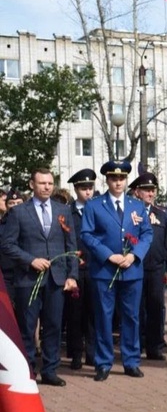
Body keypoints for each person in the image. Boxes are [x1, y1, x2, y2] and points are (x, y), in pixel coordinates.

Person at [0, 168, 79, 387]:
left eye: (50, 183)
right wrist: (30, 260)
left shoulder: (63, 210)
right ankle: (27, 370)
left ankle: (50, 370)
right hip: (28, 278)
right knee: (27, 327)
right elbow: (7, 245)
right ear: (31, 185)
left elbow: (71, 246)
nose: (47, 187)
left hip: (56, 279)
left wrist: (72, 276)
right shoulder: (19, 212)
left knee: (53, 326)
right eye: (42, 183)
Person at [81, 160, 153, 382]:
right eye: (114, 178)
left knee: (131, 317)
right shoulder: (94, 205)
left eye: (122, 178)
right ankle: (103, 362)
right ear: (107, 180)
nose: (118, 182)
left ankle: (131, 361)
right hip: (105, 269)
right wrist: (107, 254)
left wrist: (134, 255)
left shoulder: (137, 205)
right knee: (104, 317)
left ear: (126, 180)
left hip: (131, 270)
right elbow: (86, 234)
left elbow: (147, 233)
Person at [129, 172, 167, 361]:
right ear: (137, 192)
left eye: (153, 190)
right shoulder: (129, 211)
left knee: (156, 307)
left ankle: (155, 346)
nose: (151, 193)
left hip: (156, 268)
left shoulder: (162, 214)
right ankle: (137, 344)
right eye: (146, 190)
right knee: (136, 308)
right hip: (135, 266)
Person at [65, 168, 97, 369]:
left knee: (94, 313)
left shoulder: (99, 210)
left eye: (90, 188)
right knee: (74, 314)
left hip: (96, 268)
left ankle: (92, 354)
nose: (88, 192)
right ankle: (76, 354)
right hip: (75, 269)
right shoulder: (67, 212)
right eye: (84, 188)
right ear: (76, 189)